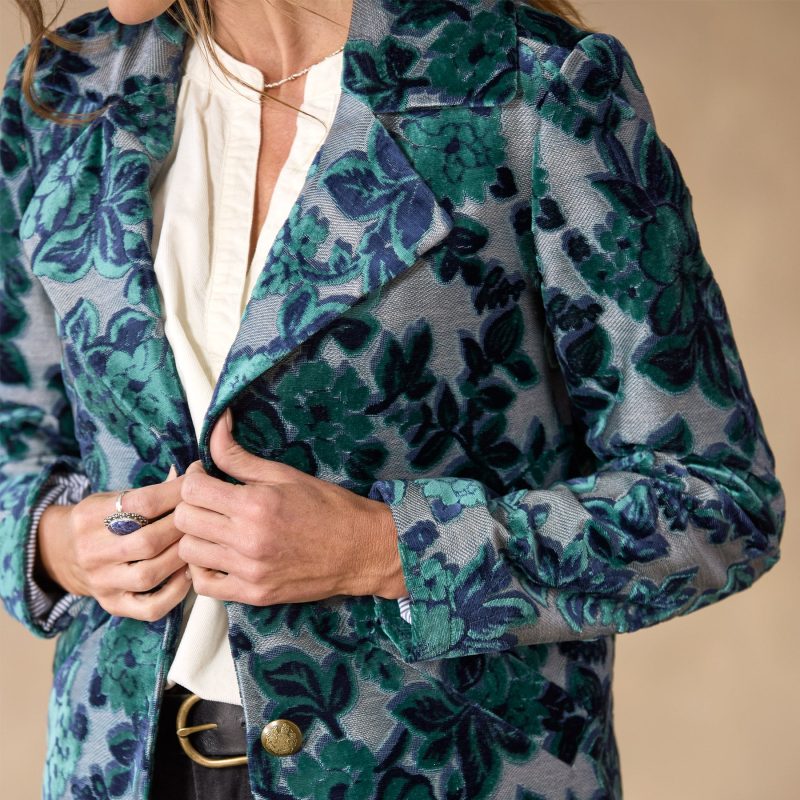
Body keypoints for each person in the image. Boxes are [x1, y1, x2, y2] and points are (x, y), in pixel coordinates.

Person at [0, 0, 785, 798]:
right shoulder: (66, 88)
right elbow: (13, 437)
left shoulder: (533, 92)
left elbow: (718, 503)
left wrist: (385, 549)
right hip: (119, 772)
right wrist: (56, 545)